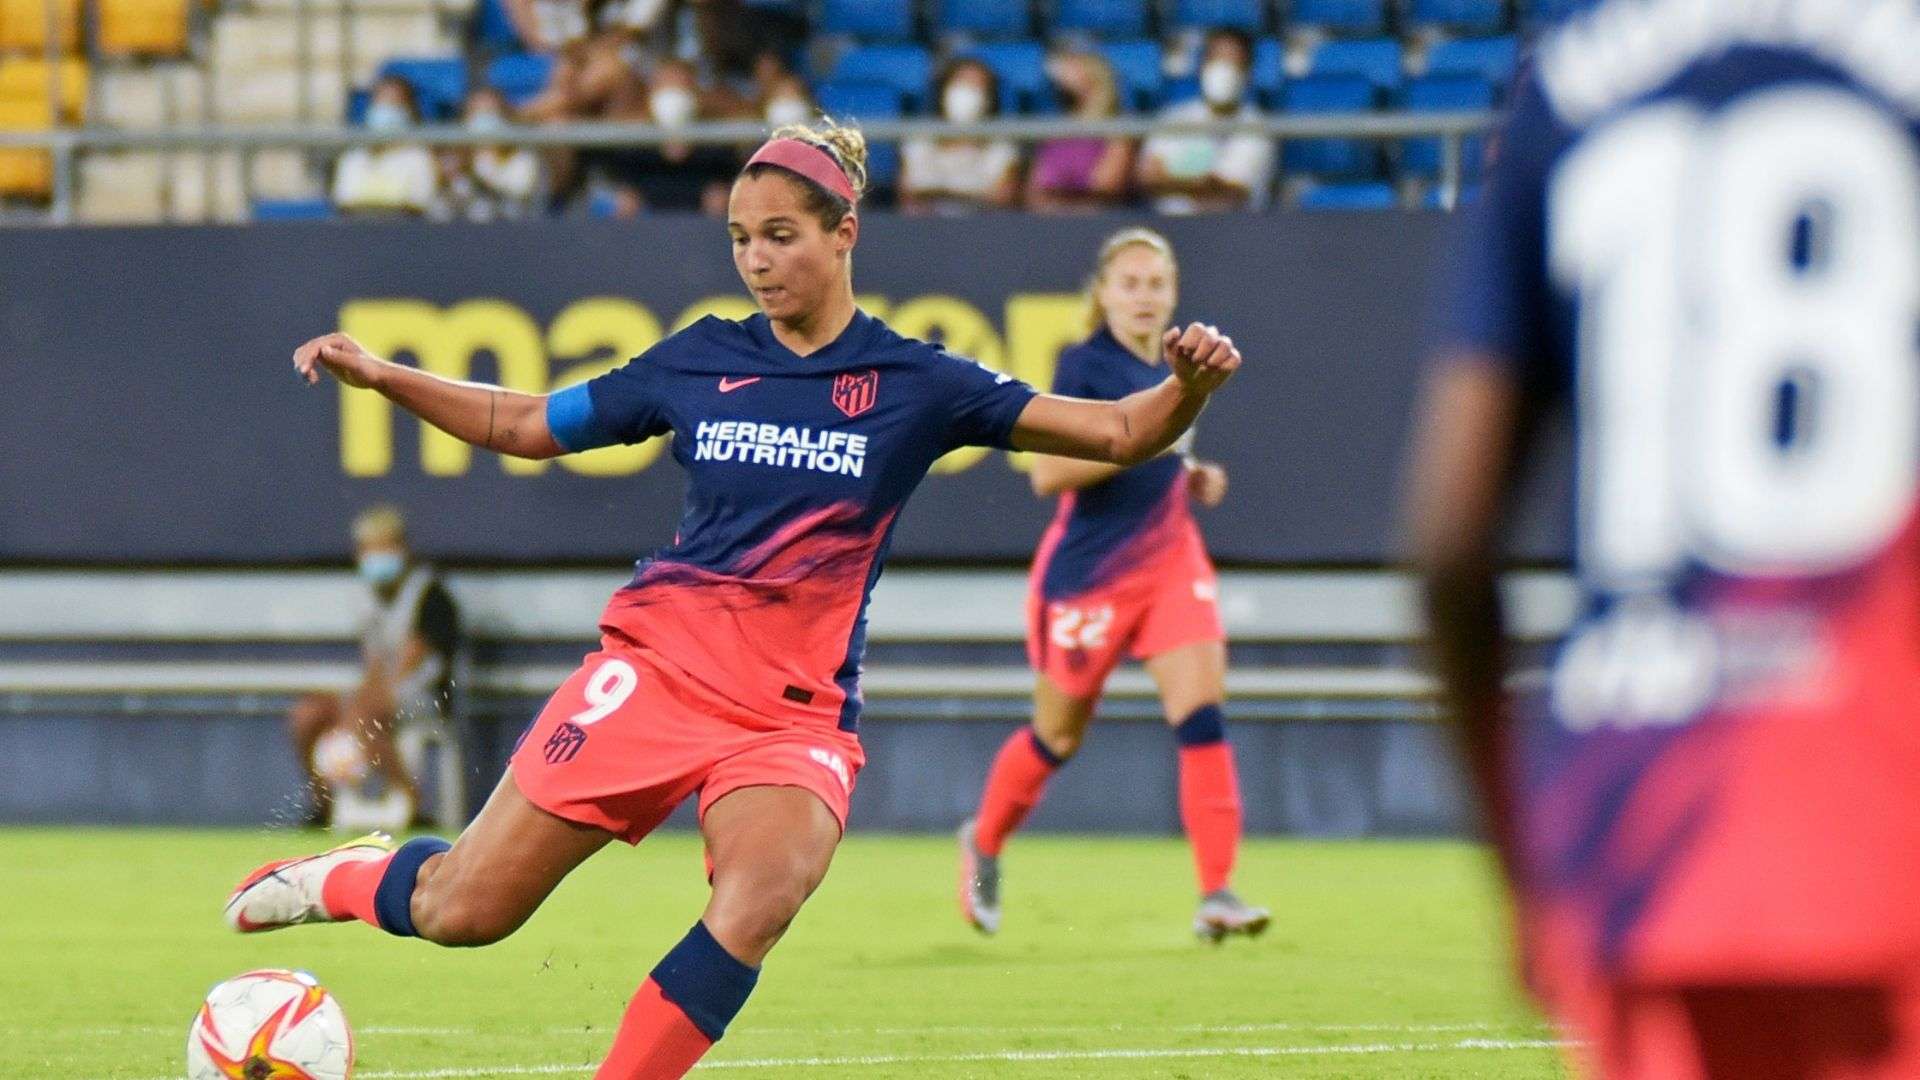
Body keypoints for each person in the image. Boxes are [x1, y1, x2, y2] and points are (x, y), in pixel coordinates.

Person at [226, 120, 1242, 1079]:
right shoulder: (699, 358)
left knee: (759, 900)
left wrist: (1186, 392)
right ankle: (341, 878)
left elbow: (1114, 434)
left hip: (788, 719)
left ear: (845, 236)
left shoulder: (918, 381)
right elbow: (528, 422)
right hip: (655, 678)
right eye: (741, 239)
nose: (756, 261)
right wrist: (384, 375)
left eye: (781, 237)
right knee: (465, 910)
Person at [1407, 1, 1920, 1076]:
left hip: (1642, 819)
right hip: (1884, 797)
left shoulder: (1573, 82)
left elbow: (1450, 539)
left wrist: (1521, 869)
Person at [957, 227, 1265, 942]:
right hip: (1091, 576)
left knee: (1202, 715)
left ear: (1175, 292)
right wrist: (1142, 444)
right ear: (1101, 293)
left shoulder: (1178, 364)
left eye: (1156, 283)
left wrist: (1189, 475)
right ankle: (984, 847)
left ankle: (1217, 892)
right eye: (1129, 283)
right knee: (1056, 737)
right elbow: (1050, 473)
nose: (1144, 297)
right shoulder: (1085, 366)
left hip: (1169, 563)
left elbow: (1158, 456)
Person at [286, 506, 459, 829]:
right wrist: (350, 709)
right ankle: (322, 805)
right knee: (308, 714)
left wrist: (352, 719)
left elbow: (408, 665)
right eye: (369, 549)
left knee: (365, 712)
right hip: (379, 696)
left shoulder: (430, 596)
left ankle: (413, 802)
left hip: (426, 698)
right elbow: (374, 664)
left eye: (385, 547)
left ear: (403, 549)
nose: (377, 557)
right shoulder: (367, 598)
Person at [1137, 29, 1273, 214]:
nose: (1222, 68)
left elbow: (1230, 192)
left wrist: (1170, 182)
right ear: (1201, 66)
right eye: (1215, 58)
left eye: (1232, 60)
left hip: (1233, 231)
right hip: (1169, 225)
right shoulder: (1174, 117)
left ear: (1248, 70)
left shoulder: (1258, 126)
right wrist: (1203, 184)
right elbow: (1148, 178)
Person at [590, 57, 741, 216]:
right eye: (665, 87)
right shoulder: (635, 150)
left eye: (681, 87)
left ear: (695, 94)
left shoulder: (715, 150)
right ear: (651, 95)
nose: (673, 96)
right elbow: (625, 195)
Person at [900, 58, 1022, 215]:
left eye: (977, 86)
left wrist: (938, 192)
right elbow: (909, 195)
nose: (968, 91)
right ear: (945, 88)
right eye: (962, 82)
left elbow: (1001, 197)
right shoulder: (920, 139)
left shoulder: (1002, 146)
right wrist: (972, 193)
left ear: (989, 96)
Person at [1026, 50, 1135, 213]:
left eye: (1074, 68)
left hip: (1097, 220)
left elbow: (1107, 187)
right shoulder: (1054, 132)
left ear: (1093, 78)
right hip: (1050, 221)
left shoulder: (1118, 129)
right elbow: (1034, 191)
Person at [332, 76, 439, 217]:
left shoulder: (419, 158)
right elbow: (344, 202)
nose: (385, 110)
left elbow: (418, 204)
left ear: (408, 110)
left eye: (393, 104)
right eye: (380, 103)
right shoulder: (353, 157)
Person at [436, 87, 541, 222]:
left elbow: (517, 201)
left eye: (492, 112)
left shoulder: (523, 159)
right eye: (478, 113)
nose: (485, 119)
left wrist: (474, 177)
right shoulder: (452, 160)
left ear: (506, 117)